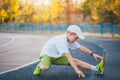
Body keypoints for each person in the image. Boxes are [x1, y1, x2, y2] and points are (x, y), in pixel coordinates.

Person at [33, 25, 105, 78]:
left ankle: (97, 68)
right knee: (45, 67)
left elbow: (81, 47)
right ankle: (40, 65)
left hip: (57, 56)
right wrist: (77, 70)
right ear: (70, 34)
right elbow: (69, 57)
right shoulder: (61, 41)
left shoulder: (70, 40)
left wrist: (92, 54)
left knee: (76, 61)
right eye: (76, 38)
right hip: (46, 55)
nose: (76, 40)